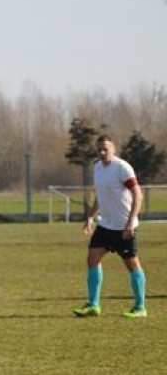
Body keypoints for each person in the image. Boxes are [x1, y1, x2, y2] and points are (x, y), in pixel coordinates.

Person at [73, 134, 148, 319]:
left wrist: (131, 221)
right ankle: (93, 305)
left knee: (132, 265)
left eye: (105, 148)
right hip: (105, 225)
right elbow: (101, 195)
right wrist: (91, 216)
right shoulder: (98, 168)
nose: (102, 152)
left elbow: (138, 195)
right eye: (99, 149)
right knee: (92, 259)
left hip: (124, 227)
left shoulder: (122, 168)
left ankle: (140, 307)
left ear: (114, 149)